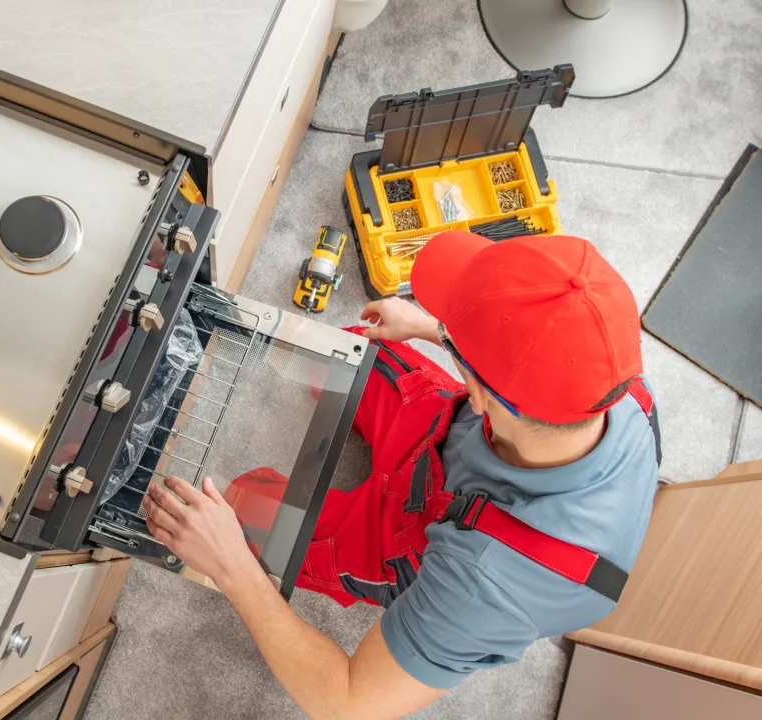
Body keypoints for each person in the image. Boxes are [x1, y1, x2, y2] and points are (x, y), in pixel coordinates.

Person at [141, 230, 661, 720]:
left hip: (414, 539)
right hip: (442, 431)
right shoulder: (618, 387)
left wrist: (231, 566)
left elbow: (347, 700)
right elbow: (529, 359)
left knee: (238, 508)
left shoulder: (485, 589)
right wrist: (431, 329)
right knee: (338, 349)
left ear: (480, 392)